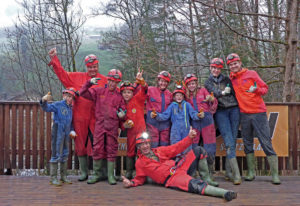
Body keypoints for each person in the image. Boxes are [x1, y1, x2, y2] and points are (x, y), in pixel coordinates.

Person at [121, 129, 237, 202]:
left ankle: (207, 178)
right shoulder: (140, 163)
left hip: (180, 166)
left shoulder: (159, 150)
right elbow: (139, 179)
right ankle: (225, 193)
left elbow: (176, 148)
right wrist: (130, 183)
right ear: (138, 147)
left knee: (198, 150)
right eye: (142, 144)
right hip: (172, 178)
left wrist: (189, 138)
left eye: (146, 143)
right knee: (195, 185)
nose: (145, 146)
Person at [48, 48, 107, 182]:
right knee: (80, 144)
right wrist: (54, 59)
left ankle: (99, 172)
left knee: (97, 143)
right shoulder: (77, 77)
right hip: (79, 117)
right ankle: (84, 172)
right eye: (90, 67)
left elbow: (115, 92)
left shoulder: (104, 80)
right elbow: (63, 75)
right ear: (87, 67)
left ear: (98, 65)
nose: (93, 69)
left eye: (95, 66)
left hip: (96, 117)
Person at [227, 53, 280, 184]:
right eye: (231, 65)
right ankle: (251, 172)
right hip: (244, 114)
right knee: (247, 143)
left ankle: (275, 175)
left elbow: (265, 88)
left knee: (265, 142)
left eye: (235, 63)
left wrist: (256, 89)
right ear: (229, 67)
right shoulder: (231, 79)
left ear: (240, 63)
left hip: (258, 113)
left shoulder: (252, 74)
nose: (234, 66)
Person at [80, 69, 126, 185]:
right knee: (97, 148)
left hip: (113, 125)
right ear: (108, 80)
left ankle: (110, 175)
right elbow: (83, 93)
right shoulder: (98, 91)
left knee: (112, 149)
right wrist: (89, 82)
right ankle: (96, 174)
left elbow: (123, 108)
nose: (112, 84)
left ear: (118, 83)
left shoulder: (119, 96)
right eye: (110, 81)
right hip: (100, 125)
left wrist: (122, 113)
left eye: (115, 82)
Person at [204, 58, 241, 185]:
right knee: (228, 141)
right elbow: (213, 93)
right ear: (210, 68)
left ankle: (228, 172)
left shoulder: (227, 79)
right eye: (214, 67)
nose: (216, 70)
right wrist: (222, 92)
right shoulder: (207, 82)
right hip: (220, 111)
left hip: (234, 109)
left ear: (221, 69)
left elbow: (236, 91)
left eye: (218, 68)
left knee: (233, 139)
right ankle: (236, 175)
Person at [184, 73, 218, 181]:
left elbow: (214, 102)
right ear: (187, 85)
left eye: (193, 83)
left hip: (207, 119)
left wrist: (211, 99)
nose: (192, 86)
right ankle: (193, 171)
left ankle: (209, 173)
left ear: (196, 83)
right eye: (189, 84)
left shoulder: (203, 90)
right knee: (193, 146)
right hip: (194, 120)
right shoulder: (186, 95)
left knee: (210, 145)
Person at [40, 88, 76, 186]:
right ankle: (53, 178)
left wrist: (72, 130)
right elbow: (46, 108)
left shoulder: (70, 108)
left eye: (71, 97)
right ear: (64, 96)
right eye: (68, 96)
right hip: (57, 131)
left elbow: (70, 122)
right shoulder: (58, 104)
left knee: (65, 153)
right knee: (56, 153)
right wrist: (43, 101)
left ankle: (63, 176)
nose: (69, 99)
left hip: (66, 132)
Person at [120, 69, 147, 179]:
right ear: (121, 93)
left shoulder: (138, 99)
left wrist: (141, 81)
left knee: (143, 151)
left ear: (132, 93)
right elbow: (119, 122)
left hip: (141, 131)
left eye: (129, 92)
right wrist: (124, 125)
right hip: (130, 132)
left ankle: (142, 173)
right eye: (124, 92)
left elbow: (145, 90)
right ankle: (129, 172)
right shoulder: (121, 105)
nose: (127, 94)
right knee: (130, 152)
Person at [145, 71, 173, 148]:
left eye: (166, 82)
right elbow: (140, 95)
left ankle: (163, 160)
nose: (163, 83)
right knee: (154, 145)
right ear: (158, 81)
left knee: (164, 146)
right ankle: (153, 160)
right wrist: (139, 83)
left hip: (165, 125)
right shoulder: (150, 90)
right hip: (152, 124)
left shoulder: (170, 95)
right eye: (162, 81)